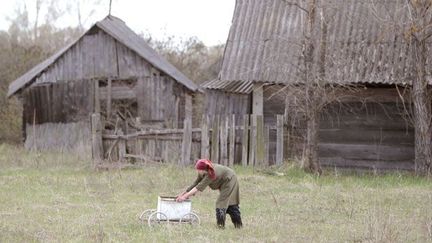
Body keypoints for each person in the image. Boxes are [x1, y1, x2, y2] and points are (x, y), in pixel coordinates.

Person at [176, 159, 242, 229]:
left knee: (222, 203)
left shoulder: (210, 174)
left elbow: (198, 188)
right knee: (229, 204)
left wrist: (184, 197)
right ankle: (238, 226)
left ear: (203, 170)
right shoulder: (203, 172)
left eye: (198, 169)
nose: (197, 171)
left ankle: (221, 226)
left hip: (229, 180)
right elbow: (195, 183)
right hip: (225, 181)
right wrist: (183, 194)